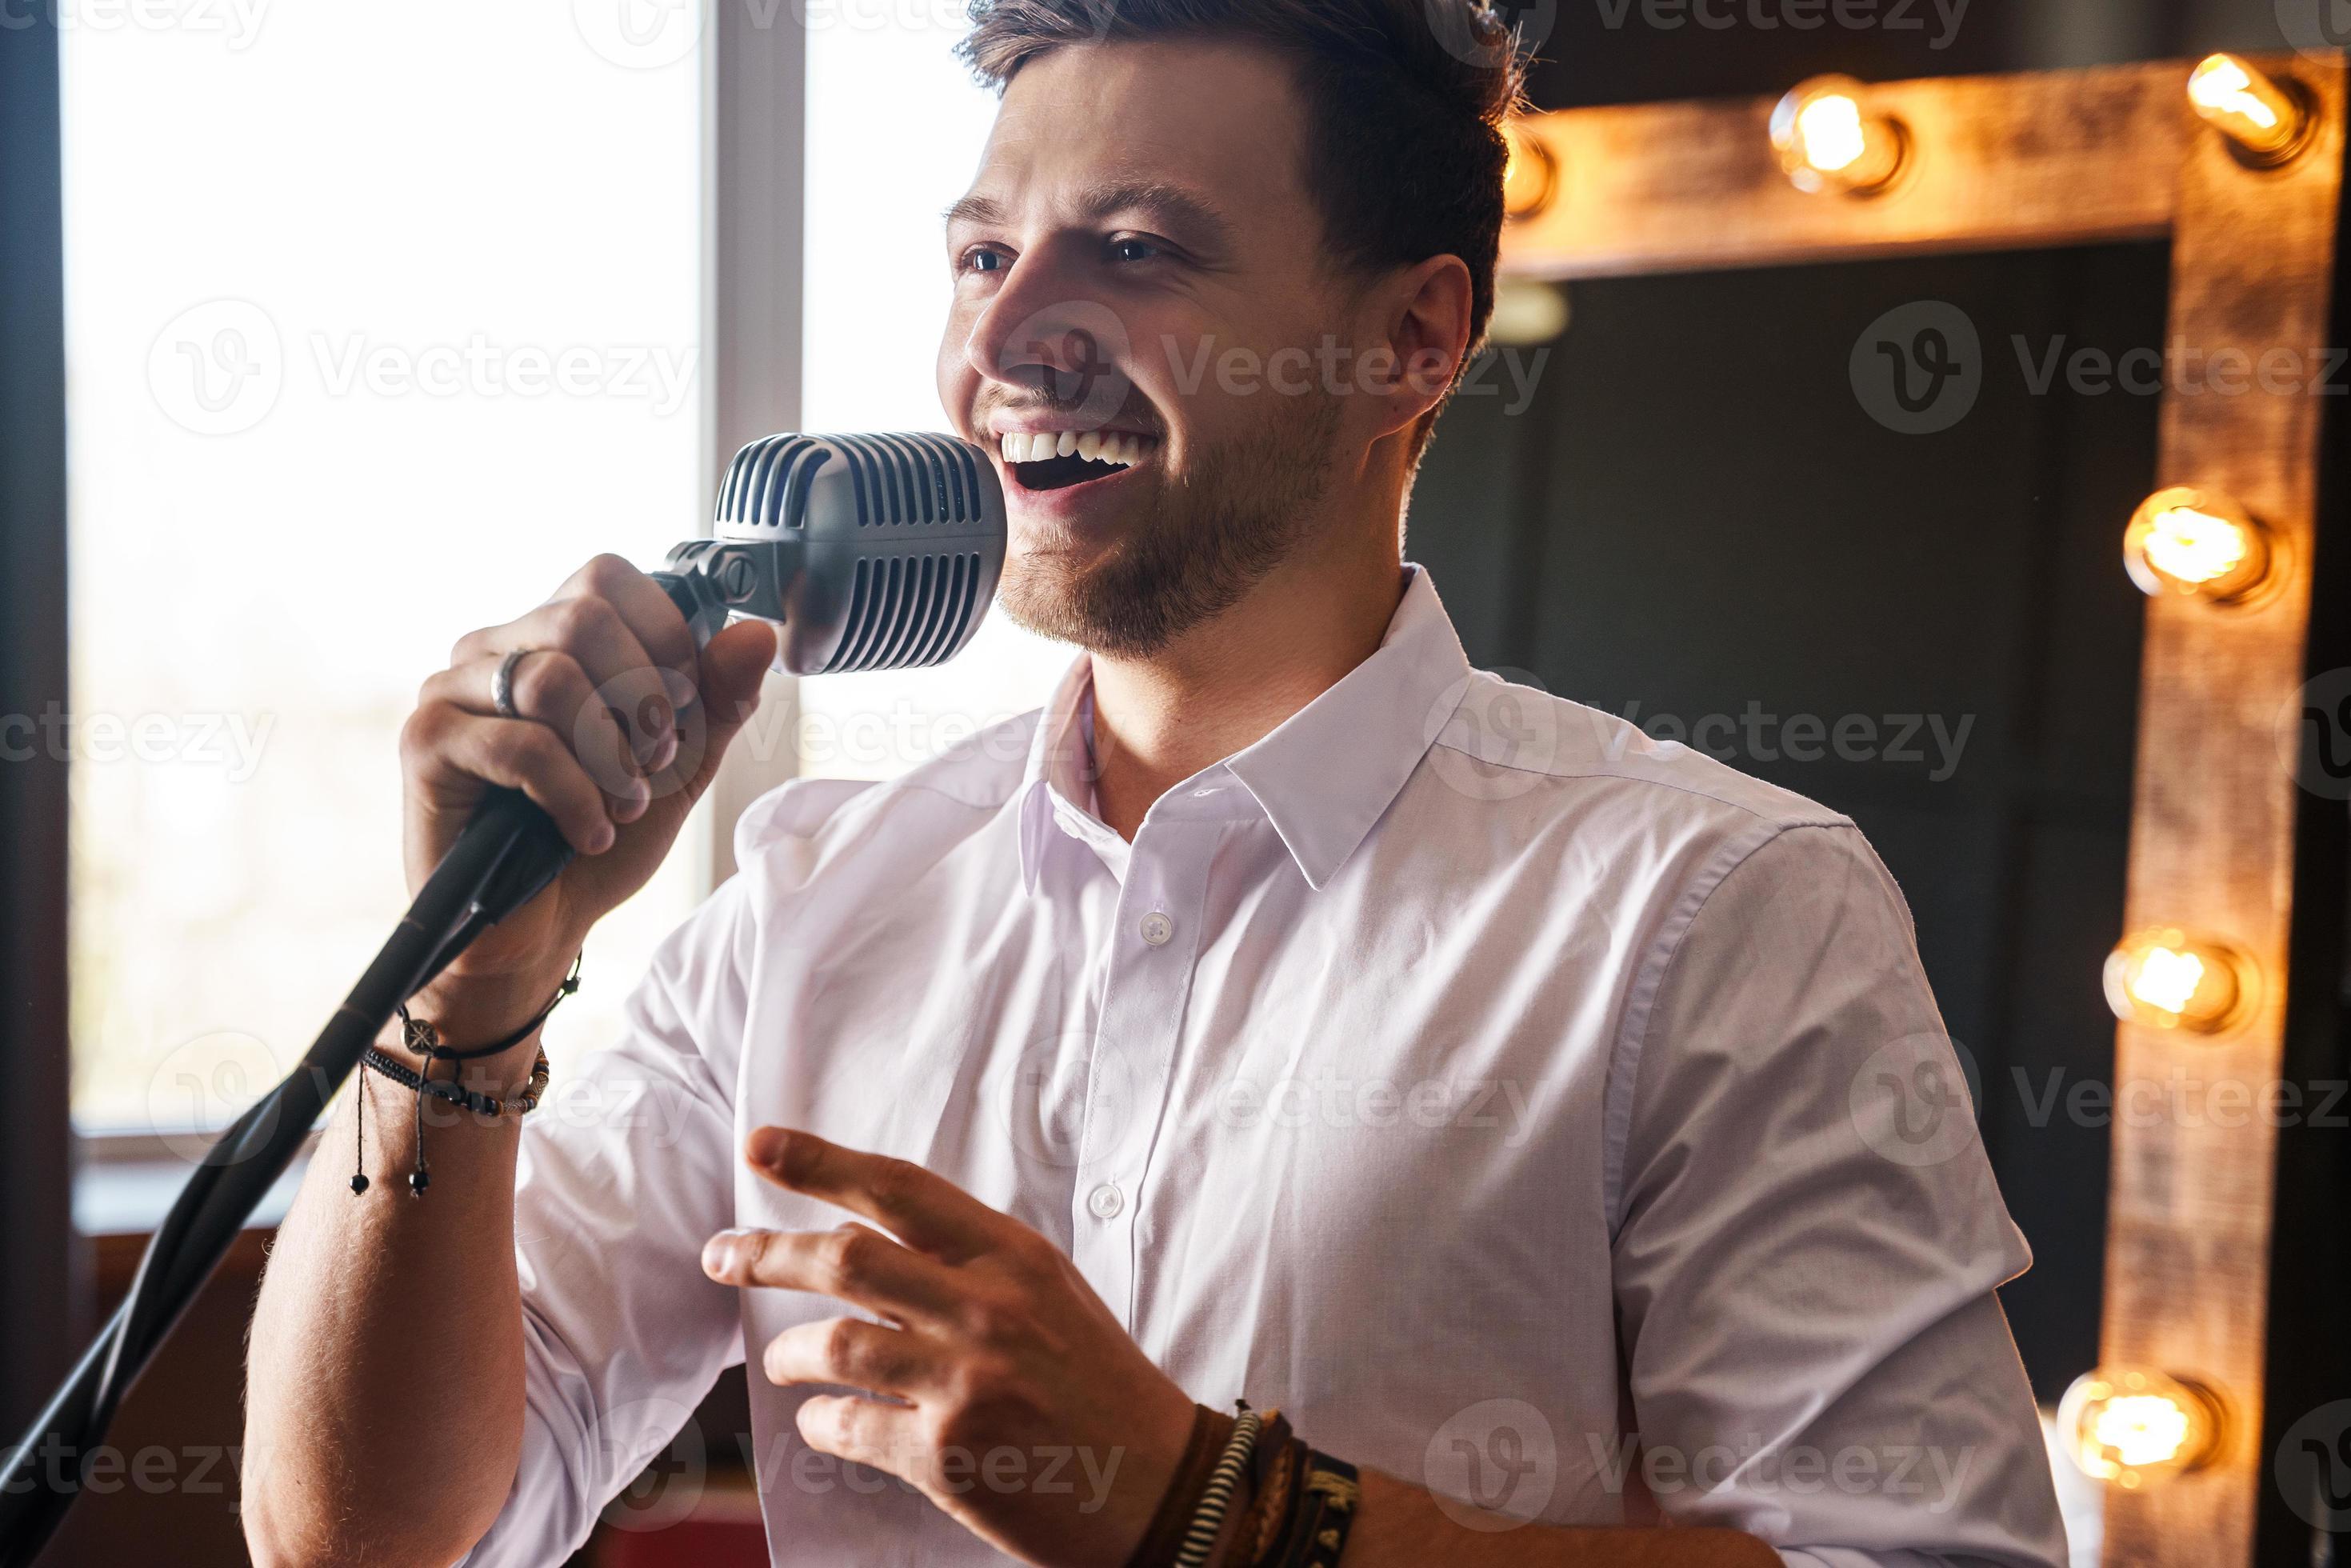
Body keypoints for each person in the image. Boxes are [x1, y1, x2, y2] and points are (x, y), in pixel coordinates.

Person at [242, 2, 2069, 1565]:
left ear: (1411, 341)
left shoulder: (1720, 910)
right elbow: (369, 1538)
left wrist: (1197, 1504)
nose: (1008, 336)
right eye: (981, 254)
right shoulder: (808, 901)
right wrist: (463, 996)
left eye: (1138, 248)